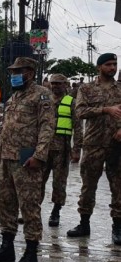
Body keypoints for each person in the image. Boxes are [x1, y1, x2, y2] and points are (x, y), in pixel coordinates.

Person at [0, 57, 55, 262]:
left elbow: (47, 127)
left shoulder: (42, 95)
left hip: (27, 159)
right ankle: (7, 247)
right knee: (5, 204)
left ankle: (31, 253)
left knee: (29, 206)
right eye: (13, 71)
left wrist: (39, 155)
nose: (14, 75)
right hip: (7, 158)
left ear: (31, 73)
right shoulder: (14, 97)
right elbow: (6, 129)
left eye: (19, 71)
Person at [66, 53, 121, 245]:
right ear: (99, 67)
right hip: (93, 144)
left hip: (117, 146)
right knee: (88, 186)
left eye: (114, 64)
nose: (112, 68)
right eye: (108, 64)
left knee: (118, 187)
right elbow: (79, 112)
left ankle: (118, 227)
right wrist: (105, 109)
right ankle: (84, 223)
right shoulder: (87, 89)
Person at [42, 74, 83, 227]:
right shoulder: (44, 100)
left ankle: (56, 211)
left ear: (65, 84)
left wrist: (77, 149)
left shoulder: (71, 102)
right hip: (43, 149)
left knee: (59, 183)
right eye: (53, 83)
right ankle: (32, 209)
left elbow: (78, 127)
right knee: (37, 181)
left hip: (62, 149)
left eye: (59, 83)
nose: (55, 86)